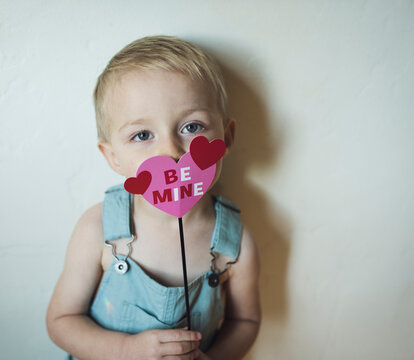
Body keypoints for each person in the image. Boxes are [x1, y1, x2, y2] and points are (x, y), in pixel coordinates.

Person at [46, 35, 261, 360]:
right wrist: (126, 349)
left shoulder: (235, 243)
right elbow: (61, 321)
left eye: (192, 127)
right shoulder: (98, 230)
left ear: (226, 137)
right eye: (142, 135)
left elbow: (245, 321)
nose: (171, 152)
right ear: (113, 157)